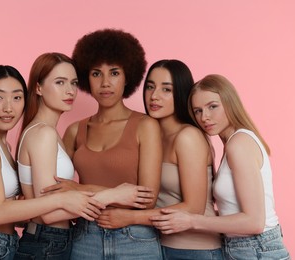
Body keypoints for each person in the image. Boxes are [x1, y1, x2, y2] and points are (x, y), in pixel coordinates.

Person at [0, 65, 105, 260]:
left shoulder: (3, 146)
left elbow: (4, 212)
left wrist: (29, 209)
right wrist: (62, 199)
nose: (8, 107)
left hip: (3, 246)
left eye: (17, 97)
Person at [14, 53, 151, 259]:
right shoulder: (44, 134)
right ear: (38, 87)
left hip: (53, 240)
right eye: (60, 82)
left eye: (74, 83)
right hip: (47, 243)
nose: (70, 91)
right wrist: (111, 195)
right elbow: (50, 213)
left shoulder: (49, 132)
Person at [41, 29, 163, 259]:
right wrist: (116, 194)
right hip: (85, 237)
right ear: (87, 79)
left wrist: (78, 189)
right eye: (96, 74)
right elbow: (53, 189)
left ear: (128, 77)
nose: (105, 83)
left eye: (114, 73)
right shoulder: (75, 130)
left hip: (135, 239)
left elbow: (147, 199)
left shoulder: (145, 126)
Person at [150, 74, 290, 259]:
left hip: (256, 249)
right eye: (198, 111)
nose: (205, 117)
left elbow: (254, 222)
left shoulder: (238, 144)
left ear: (229, 102)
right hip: (246, 247)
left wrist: (192, 220)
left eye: (212, 107)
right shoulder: (232, 143)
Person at [97, 60, 223, 259]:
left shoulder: (187, 137)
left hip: (195, 249)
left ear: (180, 93)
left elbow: (193, 207)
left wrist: (130, 218)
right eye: (150, 87)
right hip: (158, 245)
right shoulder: (152, 136)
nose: (154, 96)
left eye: (166, 89)